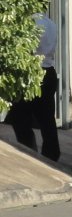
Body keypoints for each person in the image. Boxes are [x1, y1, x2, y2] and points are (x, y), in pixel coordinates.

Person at [6, 14, 60, 161]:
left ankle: (28, 153)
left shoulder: (28, 22)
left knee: (20, 117)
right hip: (48, 72)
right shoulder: (51, 23)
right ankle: (52, 154)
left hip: (31, 73)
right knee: (47, 118)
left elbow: (26, 50)